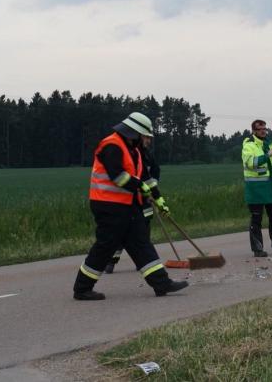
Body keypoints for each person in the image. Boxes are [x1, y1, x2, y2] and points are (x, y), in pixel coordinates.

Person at [73, 112, 187, 300]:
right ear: (135, 133)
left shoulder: (134, 151)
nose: (148, 141)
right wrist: (139, 186)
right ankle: (82, 288)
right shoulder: (111, 145)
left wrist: (159, 199)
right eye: (146, 137)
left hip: (127, 206)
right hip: (108, 206)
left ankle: (162, 284)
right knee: (105, 246)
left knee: (140, 243)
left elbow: (145, 179)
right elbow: (118, 176)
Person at [104, 134, 166, 274]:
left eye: (150, 139)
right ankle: (112, 261)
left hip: (144, 200)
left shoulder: (147, 155)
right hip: (129, 198)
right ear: (138, 137)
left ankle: (143, 262)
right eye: (146, 138)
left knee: (143, 232)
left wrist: (154, 194)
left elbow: (154, 172)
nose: (149, 141)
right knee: (124, 232)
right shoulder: (130, 152)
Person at [241, 119, 272, 257]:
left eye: (264, 128)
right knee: (256, 221)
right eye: (260, 129)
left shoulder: (270, 143)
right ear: (254, 131)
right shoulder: (248, 145)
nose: (263, 131)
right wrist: (268, 154)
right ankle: (258, 249)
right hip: (256, 189)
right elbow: (252, 163)